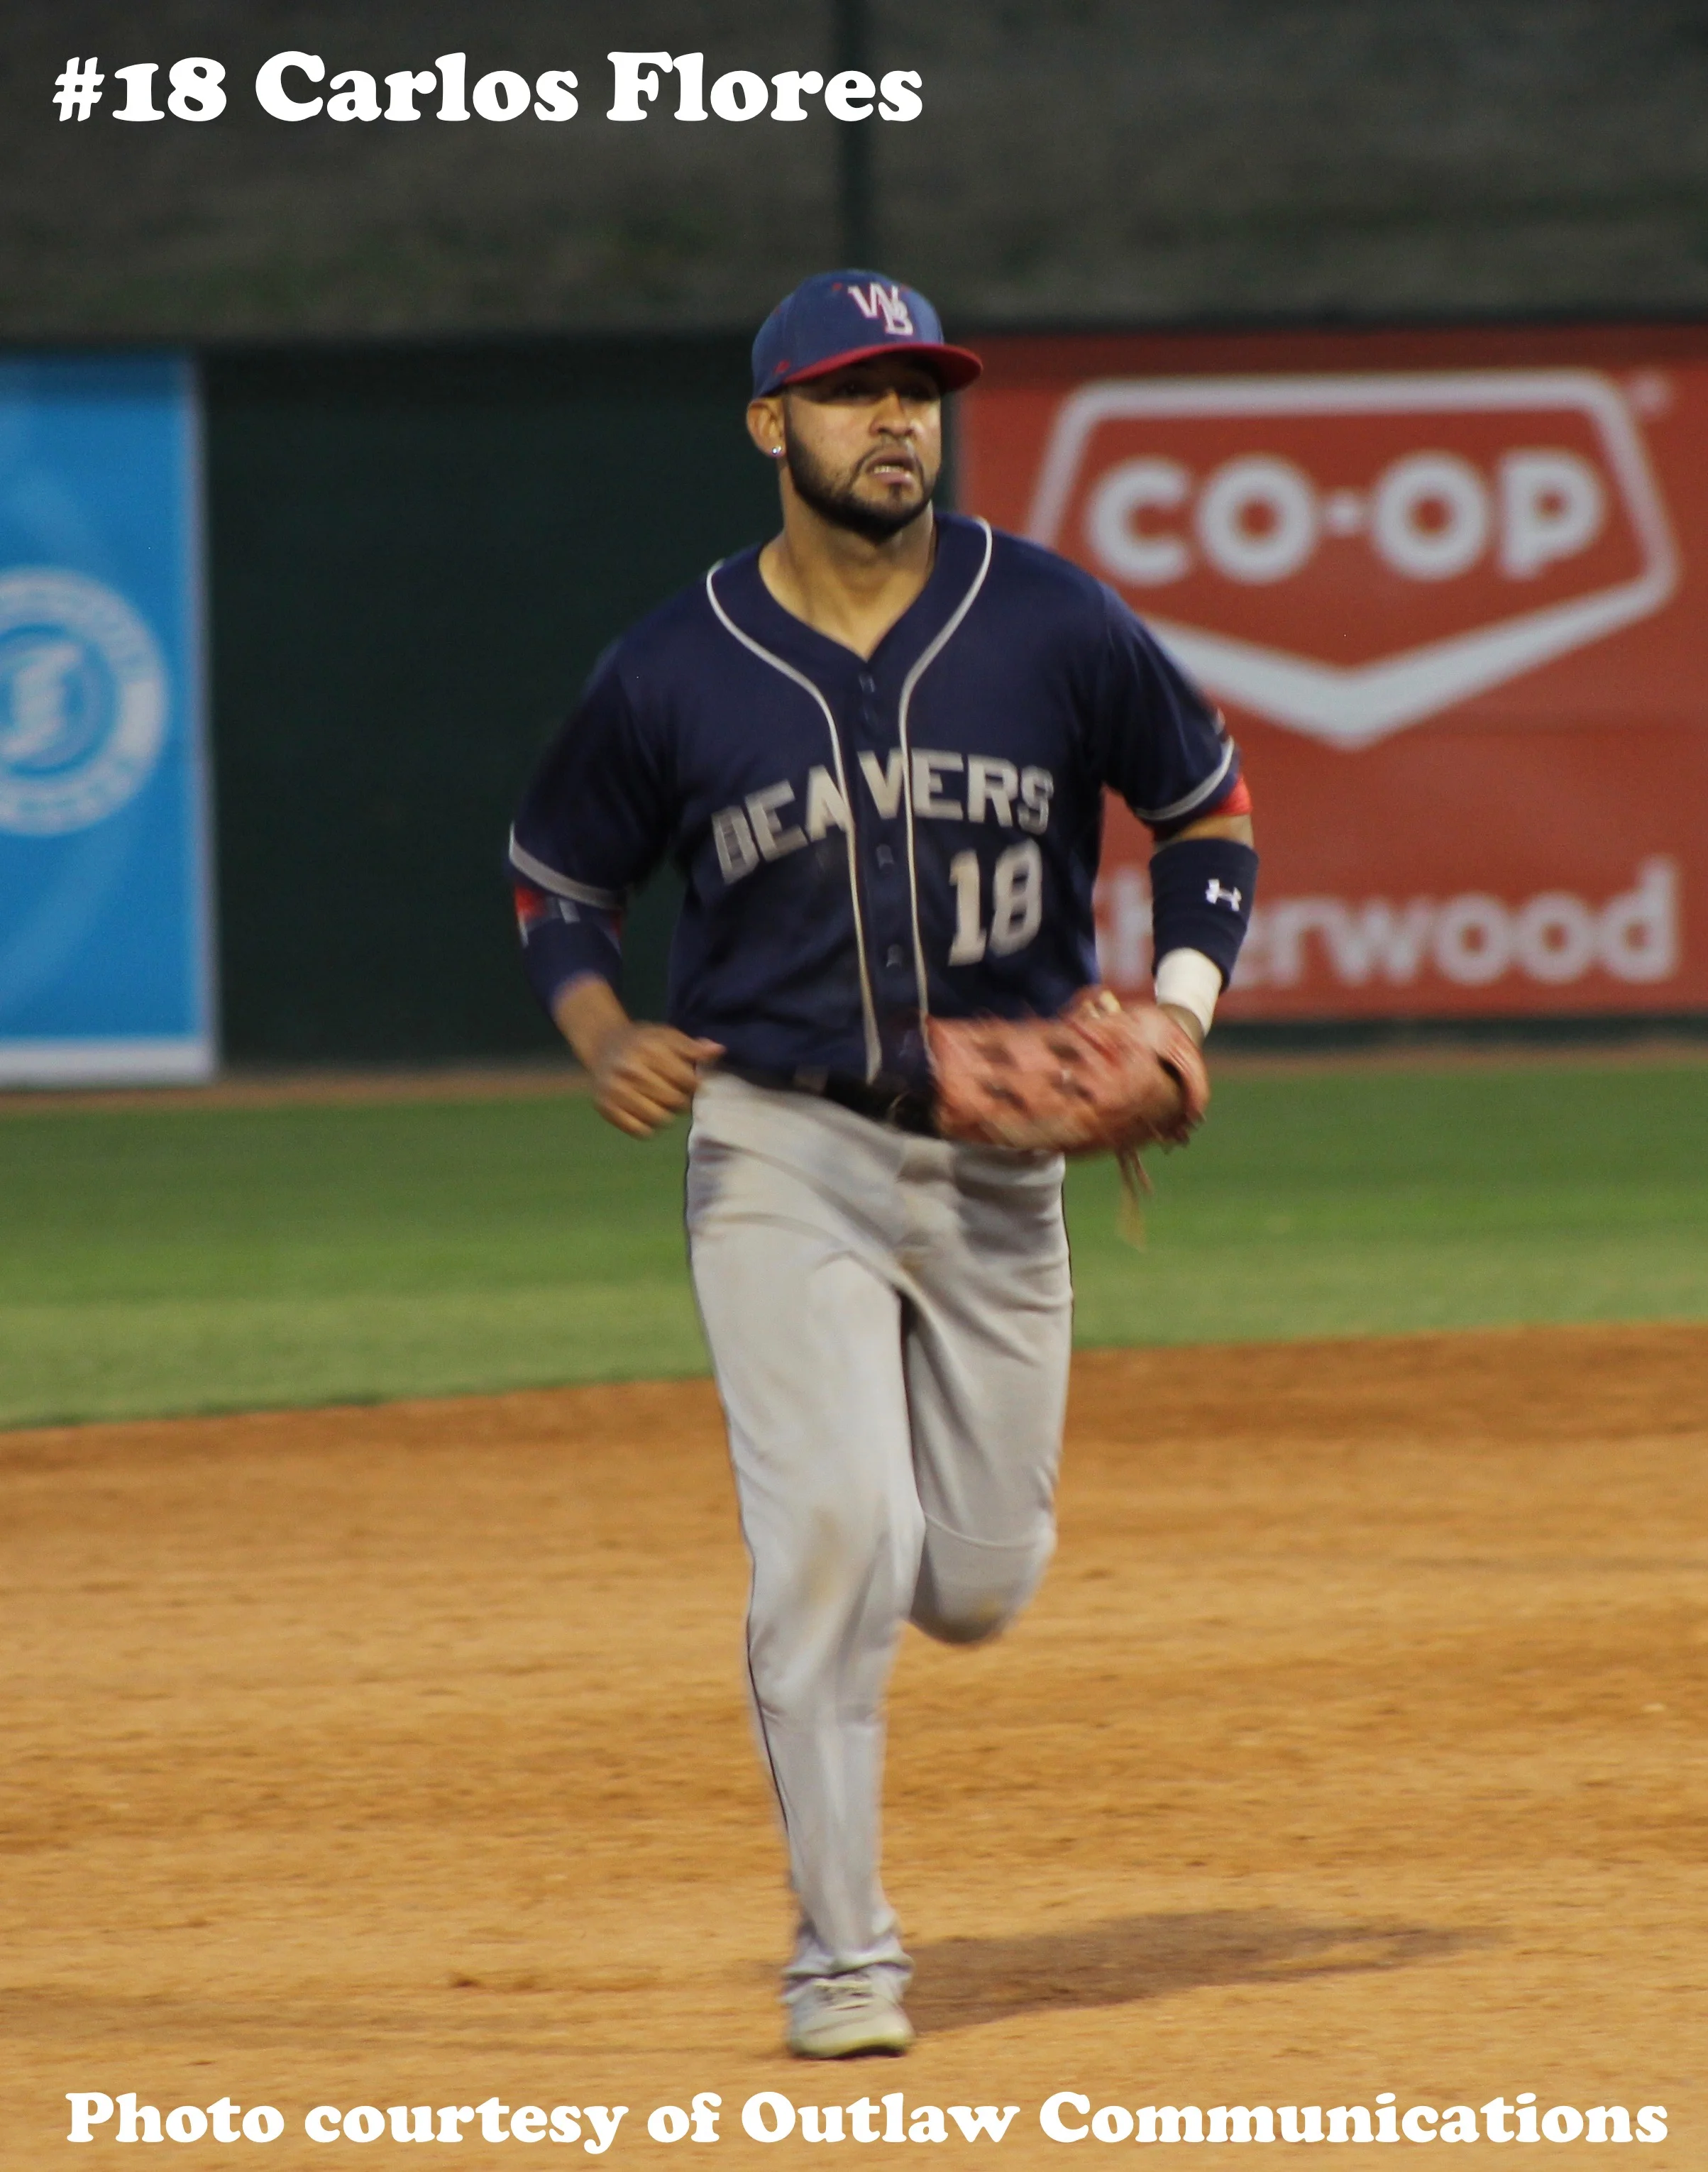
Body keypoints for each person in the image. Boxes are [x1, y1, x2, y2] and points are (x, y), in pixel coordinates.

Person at [508, 270, 1257, 2058]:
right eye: (851, 394)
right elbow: (558, 877)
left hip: (1008, 1167)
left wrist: (1183, 1003)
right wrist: (606, 1033)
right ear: (773, 426)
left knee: (979, 1582)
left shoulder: (1054, 622)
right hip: (782, 1145)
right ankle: (845, 1953)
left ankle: (886, 1529)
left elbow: (1206, 812)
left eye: (918, 389)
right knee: (832, 1538)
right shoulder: (675, 667)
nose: (895, 421)